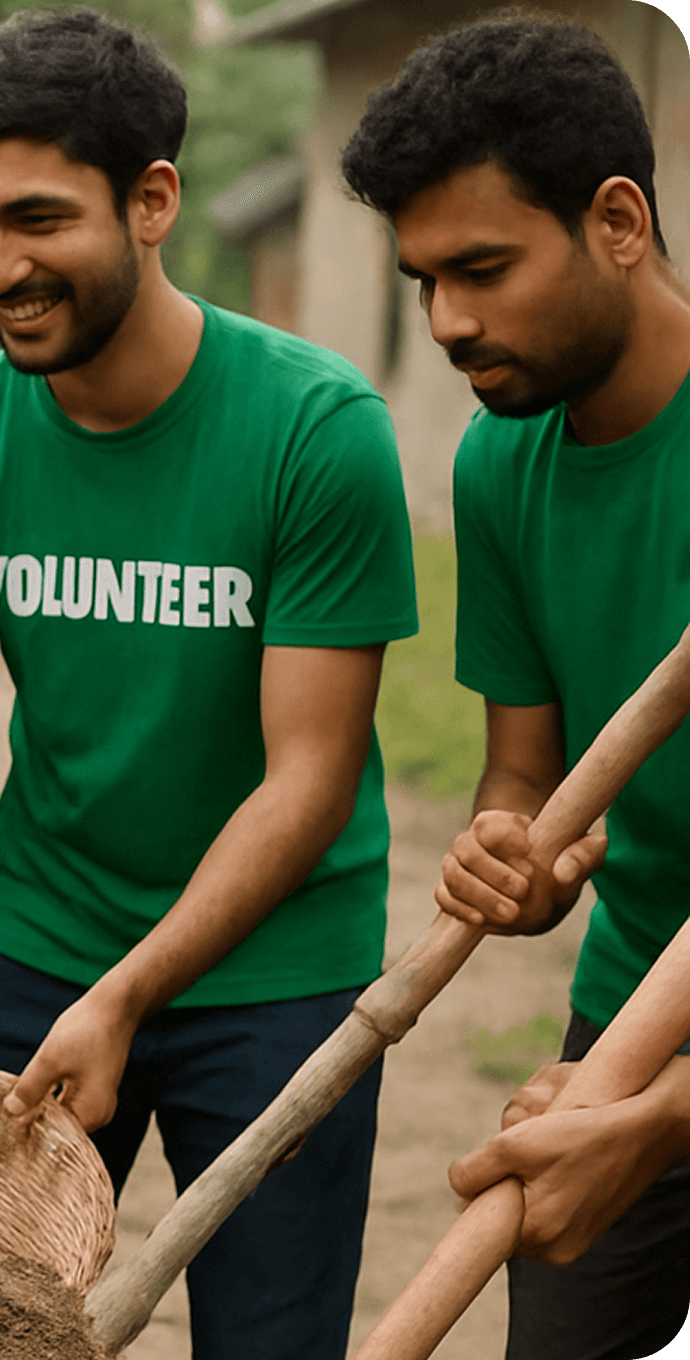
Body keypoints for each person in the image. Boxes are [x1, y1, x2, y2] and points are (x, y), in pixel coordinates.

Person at [0, 10, 417, 1359]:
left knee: (269, 1340)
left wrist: (132, 994)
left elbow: (311, 776)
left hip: (281, 970)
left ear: (153, 200)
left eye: (38, 218)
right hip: (39, 941)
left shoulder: (317, 433)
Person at [341, 14, 690, 1359]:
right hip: (630, 1003)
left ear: (616, 220)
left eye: (482, 268)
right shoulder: (502, 462)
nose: (448, 322)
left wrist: (658, 1121)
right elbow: (529, 777)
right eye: (422, 280)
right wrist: (516, 858)